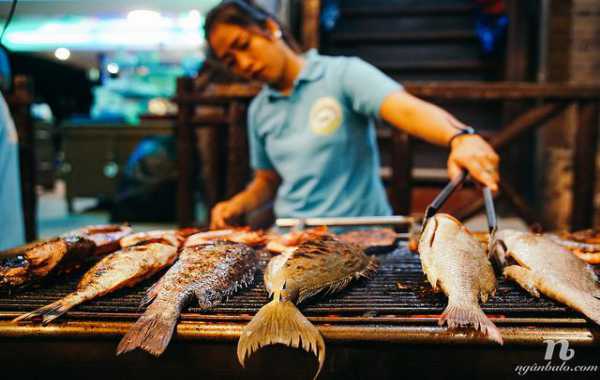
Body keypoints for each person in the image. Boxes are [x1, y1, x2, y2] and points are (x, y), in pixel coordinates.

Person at [205, 0, 500, 229]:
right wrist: (238, 204)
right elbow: (267, 180)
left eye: (243, 46)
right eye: (231, 61)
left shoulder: (341, 74)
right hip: (293, 238)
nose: (244, 63)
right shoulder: (259, 110)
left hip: (361, 236)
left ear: (270, 28)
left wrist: (460, 137)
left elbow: (406, 108)